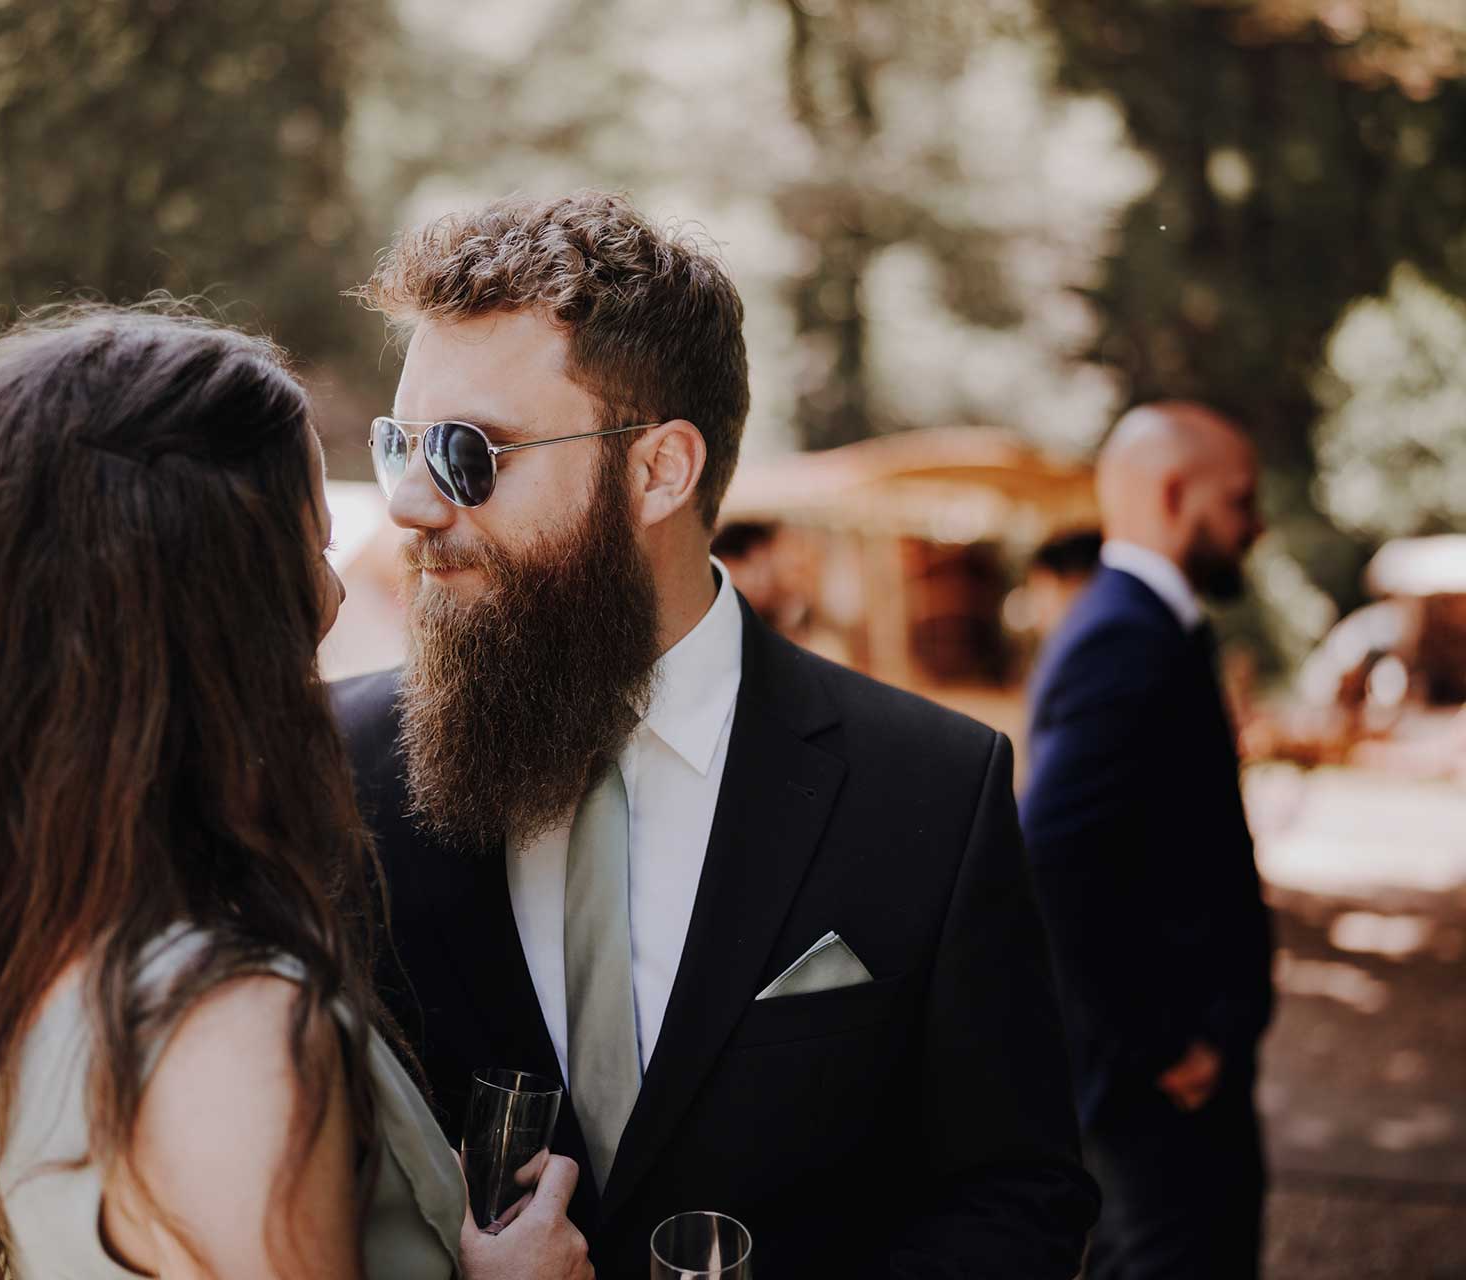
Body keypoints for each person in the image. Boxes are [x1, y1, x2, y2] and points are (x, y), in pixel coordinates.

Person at [333, 192, 1097, 1279]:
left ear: (659, 470)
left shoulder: (932, 786)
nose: (409, 502)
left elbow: (1016, 1193)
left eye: (466, 451)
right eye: (399, 443)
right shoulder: (334, 766)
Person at [0, 306, 593, 1280]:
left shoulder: (43, 929)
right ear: (215, 616)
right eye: (309, 551)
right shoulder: (228, 1032)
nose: (330, 601)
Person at [1022, 401, 1276, 1278]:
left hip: (1178, 1079)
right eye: (1241, 500)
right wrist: (1160, 1046)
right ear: (1175, 493)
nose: (1257, 523)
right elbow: (1052, 856)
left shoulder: (1135, 625)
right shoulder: (1123, 637)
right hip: (1160, 1097)